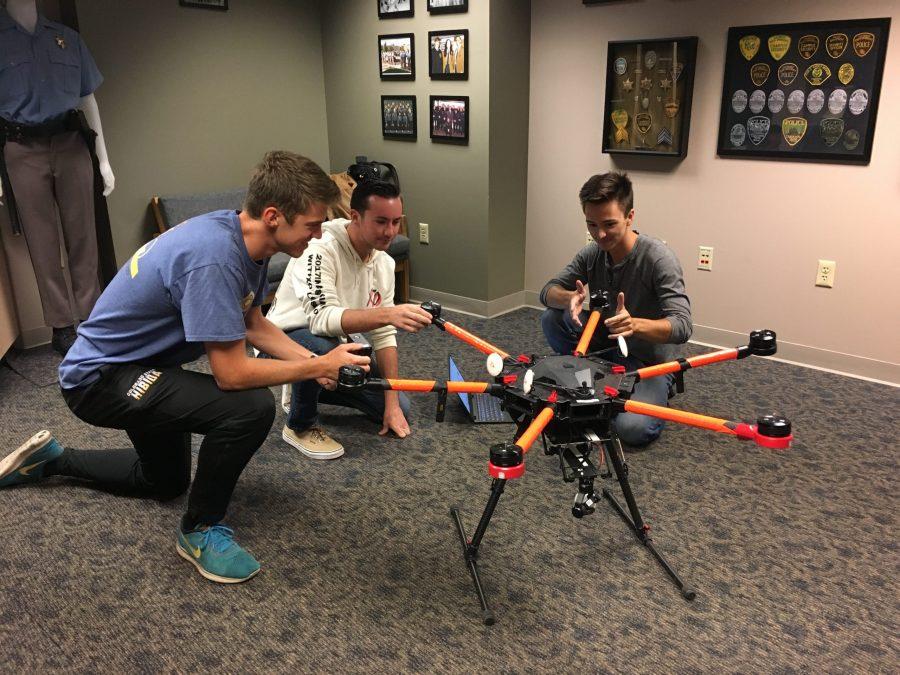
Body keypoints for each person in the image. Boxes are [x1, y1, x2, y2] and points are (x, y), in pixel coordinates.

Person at [0, 151, 370, 584]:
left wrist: (315, 362)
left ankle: (53, 461)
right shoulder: (213, 258)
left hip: (144, 366)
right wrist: (313, 368)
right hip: (98, 380)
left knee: (165, 481)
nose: (318, 233)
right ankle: (198, 531)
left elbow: (251, 320)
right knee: (250, 407)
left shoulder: (243, 236)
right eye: (312, 224)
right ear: (274, 215)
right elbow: (230, 375)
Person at [263, 179, 432, 460]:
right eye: (380, 221)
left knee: (400, 405)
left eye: (395, 222)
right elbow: (321, 319)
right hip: (282, 342)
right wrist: (389, 313)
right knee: (324, 345)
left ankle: (303, 387)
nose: (390, 231)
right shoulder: (319, 248)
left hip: (335, 345)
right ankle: (300, 426)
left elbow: (383, 336)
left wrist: (391, 402)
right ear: (355, 216)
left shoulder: (384, 263)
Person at [539, 171, 692, 448]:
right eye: (592, 224)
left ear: (630, 217)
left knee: (633, 429)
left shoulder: (658, 258)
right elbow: (547, 292)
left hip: (648, 361)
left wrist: (635, 325)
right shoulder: (592, 253)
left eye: (609, 224)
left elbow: (682, 326)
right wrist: (569, 298)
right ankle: (588, 379)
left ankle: (656, 387)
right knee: (553, 317)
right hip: (606, 348)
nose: (599, 234)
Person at [0, 0, 116, 355]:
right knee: (42, 242)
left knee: (83, 236)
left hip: (71, 144)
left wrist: (104, 160)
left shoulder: (66, 38)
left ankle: (92, 316)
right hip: (21, 148)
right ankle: (63, 326)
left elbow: (88, 100)